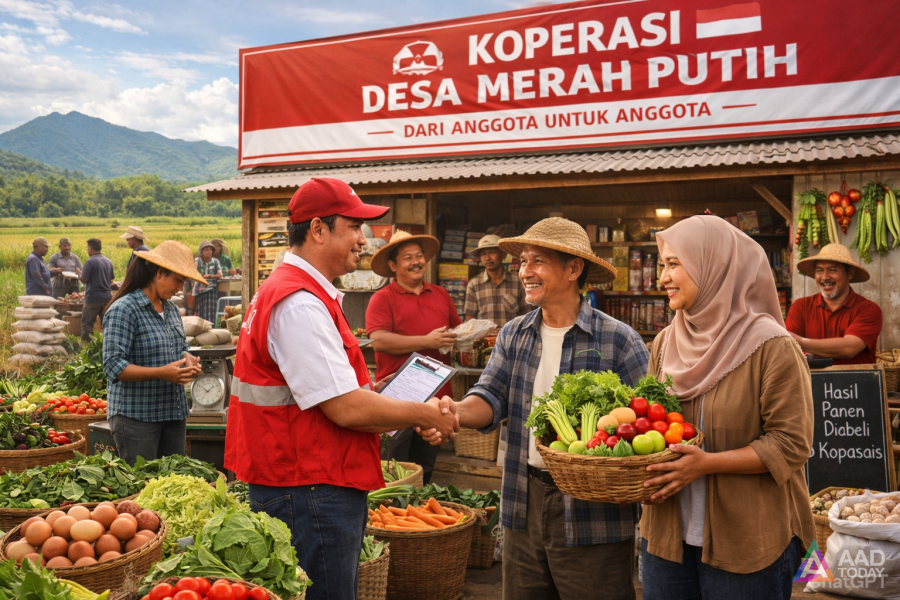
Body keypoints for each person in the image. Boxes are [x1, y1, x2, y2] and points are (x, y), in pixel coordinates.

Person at [224, 177, 458, 600]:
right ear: (317, 230)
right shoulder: (298, 302)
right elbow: (346, 409)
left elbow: (321, 389)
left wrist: (379, 391)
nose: (362, 239)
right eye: (353, 227)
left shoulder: (298, 292)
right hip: (309, 487)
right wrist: (422, 413)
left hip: (303, 480)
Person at [420, 217, 649, 600]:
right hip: (523, 502)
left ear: (573, 269)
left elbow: (648, 427)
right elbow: (489, 397)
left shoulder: (620, 341)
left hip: (594, 513)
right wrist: (453, 412)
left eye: (537, 261)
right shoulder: (514, 334)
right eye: (523, 262)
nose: (525, 272)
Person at [638, 216, 814, 600]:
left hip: (748, 543)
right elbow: (648, 424)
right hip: (667, 536)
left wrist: (707, 463)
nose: (662, 278)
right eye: (661, 265)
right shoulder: (665, 343)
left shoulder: (771, 346)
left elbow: (791, 443)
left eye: (674, 264)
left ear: (713, 265)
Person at [366, 229, 461, 484]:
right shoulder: (382, 298)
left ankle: (418, 517)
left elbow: (455, 331)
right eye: (407, 257)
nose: (416, 262)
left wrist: (470, 334)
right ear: (393, 265)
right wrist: (427, 341)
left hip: (437, 395)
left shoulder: (440, 294)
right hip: (397, 395)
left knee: (425, 465)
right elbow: (378, 340)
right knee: (393, 465)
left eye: (419, 256)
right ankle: (388, 517)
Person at [102, 241, 204, 465]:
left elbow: (180, 347)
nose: (180, 288)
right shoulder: (124, 309)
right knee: (141, 488)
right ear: (159, 273)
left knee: (172, 485)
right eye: (178, 280)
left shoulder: (171, 309)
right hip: (137, 416)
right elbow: (113, 365)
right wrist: (161, 373)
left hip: (172, 412)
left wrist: (188, 358)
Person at [786, 243, 882, 365]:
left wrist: (801, 342)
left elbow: (849, 348)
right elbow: (787, 346)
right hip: (813, 382)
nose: (825, 277)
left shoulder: (868, 309)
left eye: (833, 270)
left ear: (850, 273)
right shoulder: (801, 306)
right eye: (819, 270)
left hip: (856, 381)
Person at [463, 234, 528, 327]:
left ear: (503, 255)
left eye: (491, 252)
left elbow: (527, 314)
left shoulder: (518, 282)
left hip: (512, 338)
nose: (487, 258)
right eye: (483, 254)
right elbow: (470, 317)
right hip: (485, 340)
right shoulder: (474, 284)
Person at [79, 239, 115, 341]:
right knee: (107, 324)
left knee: (87, 324)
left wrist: (79, 274)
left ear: (90, 249)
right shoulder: (108, 261)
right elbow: (110, 280)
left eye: (87, 248)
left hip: (93, 298)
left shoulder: (90, 261)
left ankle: (87, 347)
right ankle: (106, 344)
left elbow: (84, 280)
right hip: (107, 297)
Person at [193, 241, 222, 323]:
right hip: (199, 289)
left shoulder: (215, 261)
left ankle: (211, 325)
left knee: (211, 309)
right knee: (199, 309)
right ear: (201, 251)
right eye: (206, 250)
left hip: (211, 288)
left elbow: (220, 275)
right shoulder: (197, 260)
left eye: (210, 250)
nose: (209, 251)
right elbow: (193, 272)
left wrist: (210, 276)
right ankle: (200, 325)